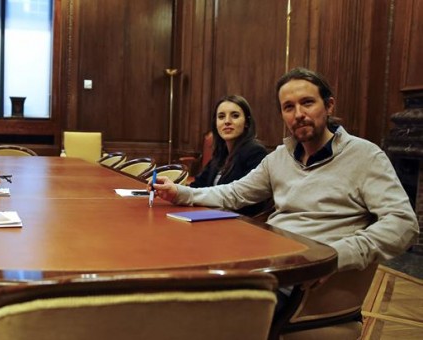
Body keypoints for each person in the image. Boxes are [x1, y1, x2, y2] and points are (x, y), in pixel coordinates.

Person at [153, 67, 419, 274]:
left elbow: (403, 224)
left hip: (312, 276)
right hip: (269, 260)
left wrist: (334, 255)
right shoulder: (279, 157)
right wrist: (180, 192)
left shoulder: (365, 155)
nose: (299, 114)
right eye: (289, 107)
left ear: (329, 106)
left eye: (308, 103)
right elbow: (234, 193)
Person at [189, 95, 268, 216]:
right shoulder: (221, 154)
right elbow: (197, 186)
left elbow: (248, 202)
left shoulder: (255, 152)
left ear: (247, 122)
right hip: (210, 216)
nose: (227, 121)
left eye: (235, 116)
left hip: (239, 223)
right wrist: (173, 190)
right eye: (221, 117)